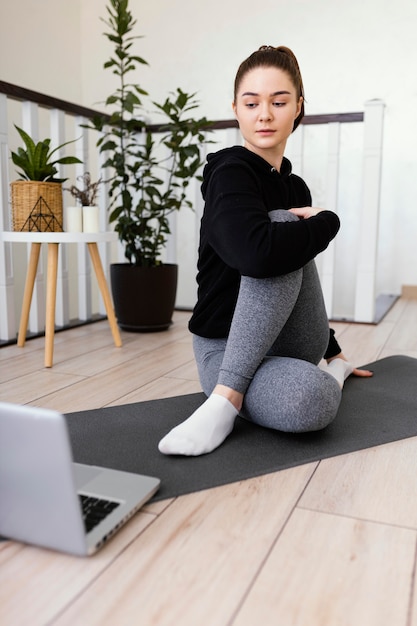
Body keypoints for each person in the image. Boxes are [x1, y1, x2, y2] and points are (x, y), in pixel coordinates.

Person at [158, 45, 373, 457]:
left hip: (289, 341)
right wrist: (328, 220)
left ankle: (318, 373)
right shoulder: (229, 172)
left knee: (287, 229)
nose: (264, 114)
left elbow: (297, 276)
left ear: (298, 108)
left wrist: (331, 349)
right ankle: (226, 393)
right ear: (236, 109)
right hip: (223, 347)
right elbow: (257, 256)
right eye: (251, 102)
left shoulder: (297, 188)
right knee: (312, 400)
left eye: (279, 101)